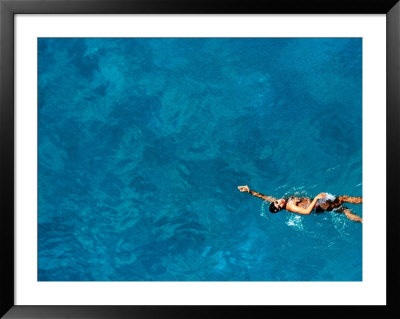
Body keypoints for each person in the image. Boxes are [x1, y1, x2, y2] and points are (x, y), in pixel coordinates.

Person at [237, 185, 362, 223]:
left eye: (276, 202)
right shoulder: (290, 206)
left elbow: (265, 197)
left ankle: (362, 220)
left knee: (344, 210)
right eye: (279, 206)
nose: (279, 202)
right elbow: (307, 212)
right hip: (320, 205)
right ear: (281, 209)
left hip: (319, 207)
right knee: (344, 199)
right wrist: (317, 198)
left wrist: (250, 191)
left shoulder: (282, 201)